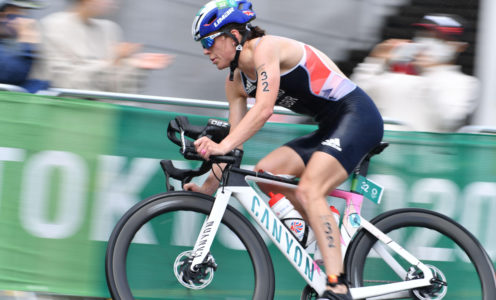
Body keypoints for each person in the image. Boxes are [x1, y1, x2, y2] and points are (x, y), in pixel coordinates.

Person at [185, 1, 384, 299]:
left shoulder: (266, 49)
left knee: (309, 189)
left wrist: (222, 144)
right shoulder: (236, 81)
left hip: (358, 116)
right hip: (329, 128)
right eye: (203, 44)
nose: (205, 50)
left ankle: (337, 283)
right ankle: (321, 227)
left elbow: (263, 109)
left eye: (210, 41)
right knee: (266, 173)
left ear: (235, 36)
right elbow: (233, 143)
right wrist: (207, 187)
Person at [351, 14, 480, 132]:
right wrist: (375, 61)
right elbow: (354, 101)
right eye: (425, 36)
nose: (427, 44)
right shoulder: (395, 76)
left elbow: (447, 121)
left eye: (440, 39)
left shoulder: (463, 83)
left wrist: (427, 74)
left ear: (459, 46)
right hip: (380, 152)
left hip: (425, 155)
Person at [31, 0, 172, 93]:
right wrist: (113, 62)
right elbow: (63, 82)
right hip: (60, 116)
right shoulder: (52, 26)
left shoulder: (109, 29)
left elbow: (114, 87)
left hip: (100, 119)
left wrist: (134, 66)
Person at [0, 0, 49, 92]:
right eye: (16, 12)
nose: (24, 20)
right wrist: (27, 40)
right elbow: (12, 75)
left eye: (25, 13)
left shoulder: (7, 42)